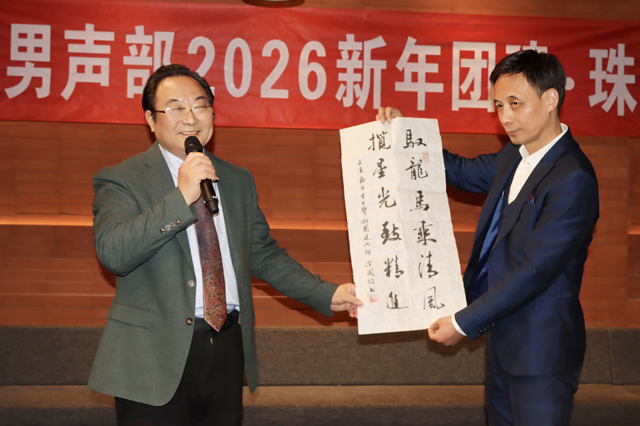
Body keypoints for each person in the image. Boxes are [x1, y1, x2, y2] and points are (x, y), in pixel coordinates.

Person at [88, 64, 362, 426]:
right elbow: (114, 253)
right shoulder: (122, 179)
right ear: (151, 120)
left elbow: (263, 255)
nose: (190, 117)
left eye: (200, 106)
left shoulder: (235, 178)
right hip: (151, 354)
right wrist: (181, 197)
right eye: (175, 107)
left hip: (226, 345)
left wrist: (327, 293)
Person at [377, 50, 599, 425]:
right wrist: (403, 134)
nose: (505, 117)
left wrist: (464, 322)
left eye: (515, 103)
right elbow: (459, 171)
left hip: (541, 354)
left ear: (550, 99)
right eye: (498, 105)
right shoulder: (513, 157)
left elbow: (535, 271)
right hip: (502, 344)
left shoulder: (572, 177)